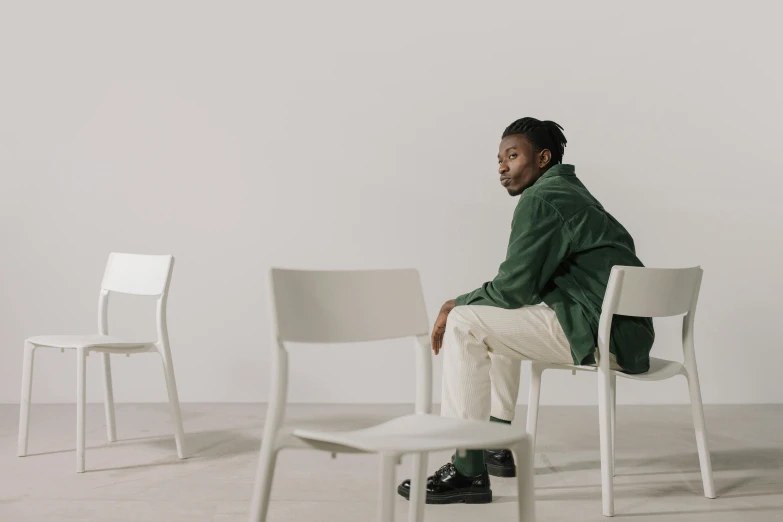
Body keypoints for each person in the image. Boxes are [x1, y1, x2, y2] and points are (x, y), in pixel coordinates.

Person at [398, 117, 655, 504]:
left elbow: (513, 288)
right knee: (492, 320)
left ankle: (468, 468)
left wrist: (454, 304)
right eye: (499, 159)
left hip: (599, 332)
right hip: (628, 335)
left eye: (513, 155)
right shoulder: (571, 191)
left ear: (543, 158)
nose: (502, 166)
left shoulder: (542, 199)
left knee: (466, 321)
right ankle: (495, 443)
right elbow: (516, 296)